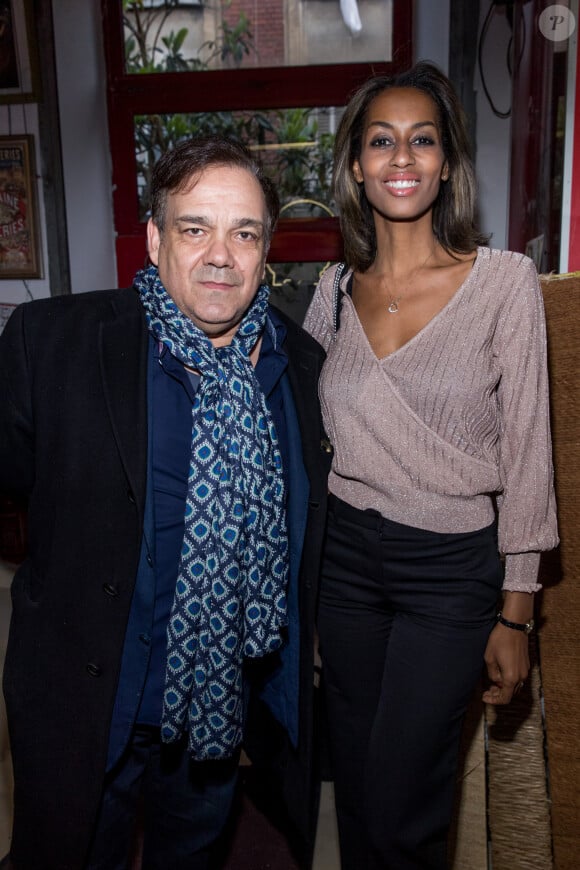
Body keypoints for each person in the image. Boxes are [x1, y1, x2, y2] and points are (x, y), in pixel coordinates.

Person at [0, 137, 330, 870]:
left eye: (243, 233)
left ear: (266, 249)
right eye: (194, 228)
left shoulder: (298, 370)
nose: (221, 255)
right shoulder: (54, 344)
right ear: (154, 239)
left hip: (219, 721)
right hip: (90, 706)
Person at [303, 61, 559, 870]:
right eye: (382, 141)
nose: (401, 158)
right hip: (344, 567)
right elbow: (306, 440)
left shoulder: (503, 283)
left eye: (422, 140)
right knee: (359, 792)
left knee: (407, 798)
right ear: (355, 164)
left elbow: (528, 452)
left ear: (446, 162)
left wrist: (517, 613)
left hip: (449, 572)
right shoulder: (331, 290)